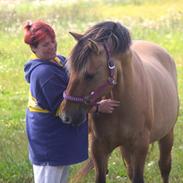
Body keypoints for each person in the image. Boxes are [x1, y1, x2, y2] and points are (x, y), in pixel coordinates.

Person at [23, 20, 120, 183]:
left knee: (60, 176)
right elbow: (61, 108)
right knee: (49, 177)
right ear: (34, 49)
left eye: (53, 41)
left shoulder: (57, 61)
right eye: (45, 45)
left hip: (57, 139)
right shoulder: (43, 74)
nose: (52, 46)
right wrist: (97, 108)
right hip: (50, 140)